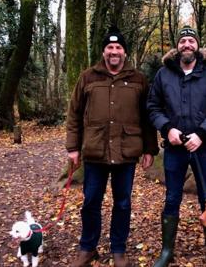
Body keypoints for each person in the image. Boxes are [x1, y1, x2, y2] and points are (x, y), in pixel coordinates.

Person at [66, 26, 159, 267]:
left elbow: (148, 117)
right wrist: (72, 147)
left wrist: (150, 149)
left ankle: (119, 249)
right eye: (110, 47)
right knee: (90, 201)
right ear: (104, 51)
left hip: (126, 153)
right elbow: (74, 114)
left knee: (123, 202)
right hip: (95, 151)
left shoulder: (139, 79)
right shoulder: (88, 77)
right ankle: (87, 248)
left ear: (125, 53)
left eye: (118, 48)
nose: (114, 51)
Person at [147, 26, 206, 267]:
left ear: (197, 45)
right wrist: (167, 128)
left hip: (202, 147)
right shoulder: (164, 74)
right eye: (183, 41)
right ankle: (166, 251)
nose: (187, 45)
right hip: (174, 149)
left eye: (191, 41)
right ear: (177, 46)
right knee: (172, 198)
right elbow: (153, 107)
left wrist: (202, 133)